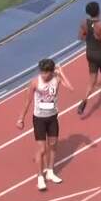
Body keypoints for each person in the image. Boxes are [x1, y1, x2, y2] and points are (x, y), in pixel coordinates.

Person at [15, 58, 72, 191]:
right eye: (42, 72)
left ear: (52, 72)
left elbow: (70, 88)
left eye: (46, 73)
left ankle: (51, 171)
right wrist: (21, 119)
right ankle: (40, 177)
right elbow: (27, 101)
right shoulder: (35, 82)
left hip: (52, 117)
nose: (44, 75)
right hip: (39, 119)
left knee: (53, 145)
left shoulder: (56, 79)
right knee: (42, 149)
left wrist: (62, 72)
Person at [76, 1, 101, 115]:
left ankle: (84, 101)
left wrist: (90, 39)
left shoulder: (84, 23)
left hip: (90, 54)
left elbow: (80, 37)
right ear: (99, 11)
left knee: (92, 81)